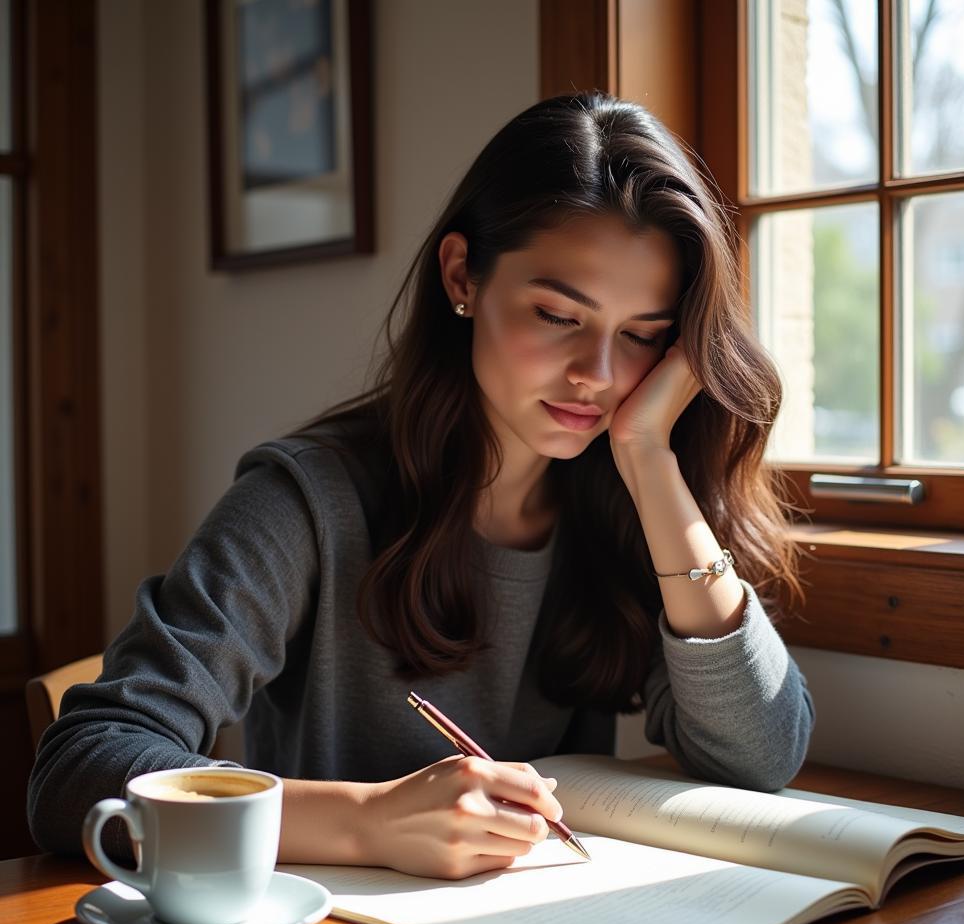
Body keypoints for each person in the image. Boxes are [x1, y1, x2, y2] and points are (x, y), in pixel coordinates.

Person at [28, 92, 813, 880]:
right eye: (556, 314)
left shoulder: (621, 503)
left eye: (643, 336)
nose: (599, 376)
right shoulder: (305, 502)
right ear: (463, 274)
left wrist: (648, 456)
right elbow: (79, 770)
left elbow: (760, 756)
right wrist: (367, 822)